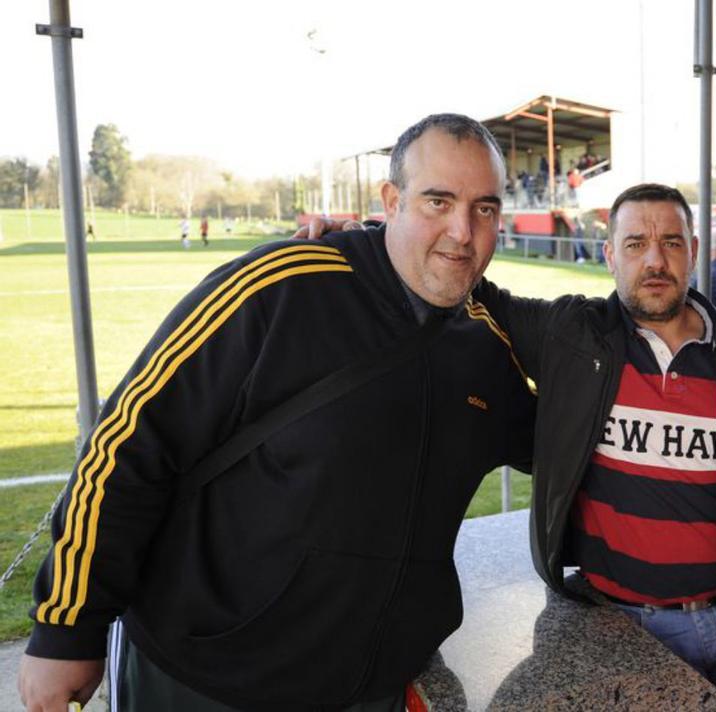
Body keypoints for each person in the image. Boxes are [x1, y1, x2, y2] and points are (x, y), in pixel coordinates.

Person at [17, 114, 535, 712]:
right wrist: (64, 630)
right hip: (204, 680)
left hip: (374, 688)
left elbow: (562, 442)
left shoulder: (483, 346)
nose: (462, 232)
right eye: (437, 201)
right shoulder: (280, 288)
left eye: (485, 209)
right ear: (391, 200)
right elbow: (128, 443)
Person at [474, 184, 716, 711]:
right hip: (620, 626)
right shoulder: (572, 335)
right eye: (636, 244)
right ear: (610, 255)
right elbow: (469, 288)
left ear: (694, 250)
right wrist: (365, 243)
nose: (656, 260)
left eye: (671, 242)